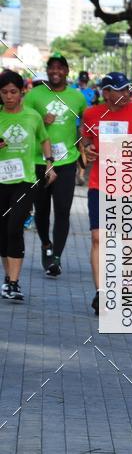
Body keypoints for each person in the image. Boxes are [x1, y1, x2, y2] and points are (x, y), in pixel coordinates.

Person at [82, 72, 132, 314]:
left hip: (128, 187)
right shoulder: (91, 114)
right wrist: (87, 148)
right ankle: (101, 293)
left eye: (128, 89)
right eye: (120, 90)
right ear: (106, 93)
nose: (126, 94)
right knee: (99, 238)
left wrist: (128, 142)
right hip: (99, 185)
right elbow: (85, 138)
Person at [24, 52, 87, 276]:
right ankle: (45, 245)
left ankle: (56, 259)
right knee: (41, 211)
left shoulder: (77, 97)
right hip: (39, 162)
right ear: (47, 70)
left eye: (60, 68)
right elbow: (24, 123)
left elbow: (86, 122)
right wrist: (42, 121)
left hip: (66, 162)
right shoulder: (34, 95)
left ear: (67, 71)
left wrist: (84, 141)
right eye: (52, 68)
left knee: (62, 211)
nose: (56, 71)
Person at [0, 70, 56, 300]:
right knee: (3, 232)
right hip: (1, 181)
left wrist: (50, 163)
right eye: (4, 92)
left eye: (13, 91)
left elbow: (44, 138)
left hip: (26, 181)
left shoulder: (32, 116)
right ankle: (8, 278)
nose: (9, 96)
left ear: (22, 91)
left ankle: (14, 283)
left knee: (14, 228)